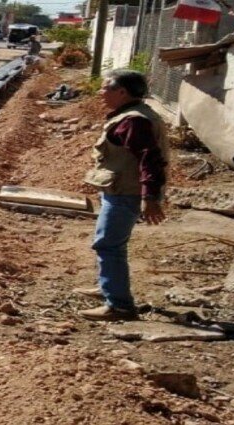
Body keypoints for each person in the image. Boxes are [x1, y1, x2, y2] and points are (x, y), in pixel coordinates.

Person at [74, 70, 168, 321]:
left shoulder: (135, 121)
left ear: (122, 92)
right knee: (112, 243)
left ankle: (119, 305)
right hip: (118, 189)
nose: (101, 93)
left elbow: (150, 160)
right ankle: (109, 287)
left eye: (105, 88)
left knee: (108, 244)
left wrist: (150, 198)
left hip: (126, 193)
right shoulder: (132, 115)